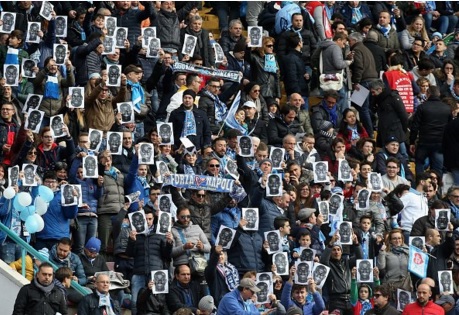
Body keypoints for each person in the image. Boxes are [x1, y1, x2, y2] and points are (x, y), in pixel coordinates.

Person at [409, 86, 451, 176]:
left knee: (419, 164)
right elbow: (449, 128)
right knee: (437, 169)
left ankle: (419, 184)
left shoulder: (422, 107)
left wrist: (412, 141)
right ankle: (436, 187)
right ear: (439, 94)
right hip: (440, 143)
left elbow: (415, 126)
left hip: (424, 141)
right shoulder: (447, 108)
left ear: (428, 94)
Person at [377, 229, 411, 301]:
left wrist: (422, 253)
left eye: (399, 238)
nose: (397, 240)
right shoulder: (386, 252)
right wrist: (382, 252)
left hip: (405, 285)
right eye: (394, 238)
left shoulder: (409, 251)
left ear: (402, 239)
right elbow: (381, 266)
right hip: (391, 286)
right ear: (390, 240)